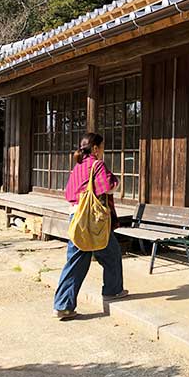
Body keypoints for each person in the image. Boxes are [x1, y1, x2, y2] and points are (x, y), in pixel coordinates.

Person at [53, 133, 128, 320]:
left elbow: (69, 193)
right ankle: (110, 291)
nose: (102, 151)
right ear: (95, 148)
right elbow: (108, 187)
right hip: (94, 220)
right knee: (107, 254)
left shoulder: (77, 167)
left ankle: (64, 304)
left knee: (84, 258)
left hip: (76, 217)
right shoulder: (97, 165)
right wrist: (115, 180)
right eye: (102, 148)